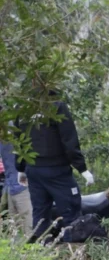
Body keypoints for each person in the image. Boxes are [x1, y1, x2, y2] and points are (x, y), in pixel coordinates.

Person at [15, 91, 93, 242]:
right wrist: (82, 168)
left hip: (34, 170)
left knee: (40, 213)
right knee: (71, 211)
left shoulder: (22, 110)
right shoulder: (56, 107)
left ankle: (43, 255)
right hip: (56, 170)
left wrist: (20, 168)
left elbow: (19, 142)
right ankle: (73, 254)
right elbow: (69, 139)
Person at [0, 140, 33, 235]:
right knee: (14, 229)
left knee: (28, 227)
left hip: (23, 186)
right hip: (10, 186)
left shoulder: (12, 132)